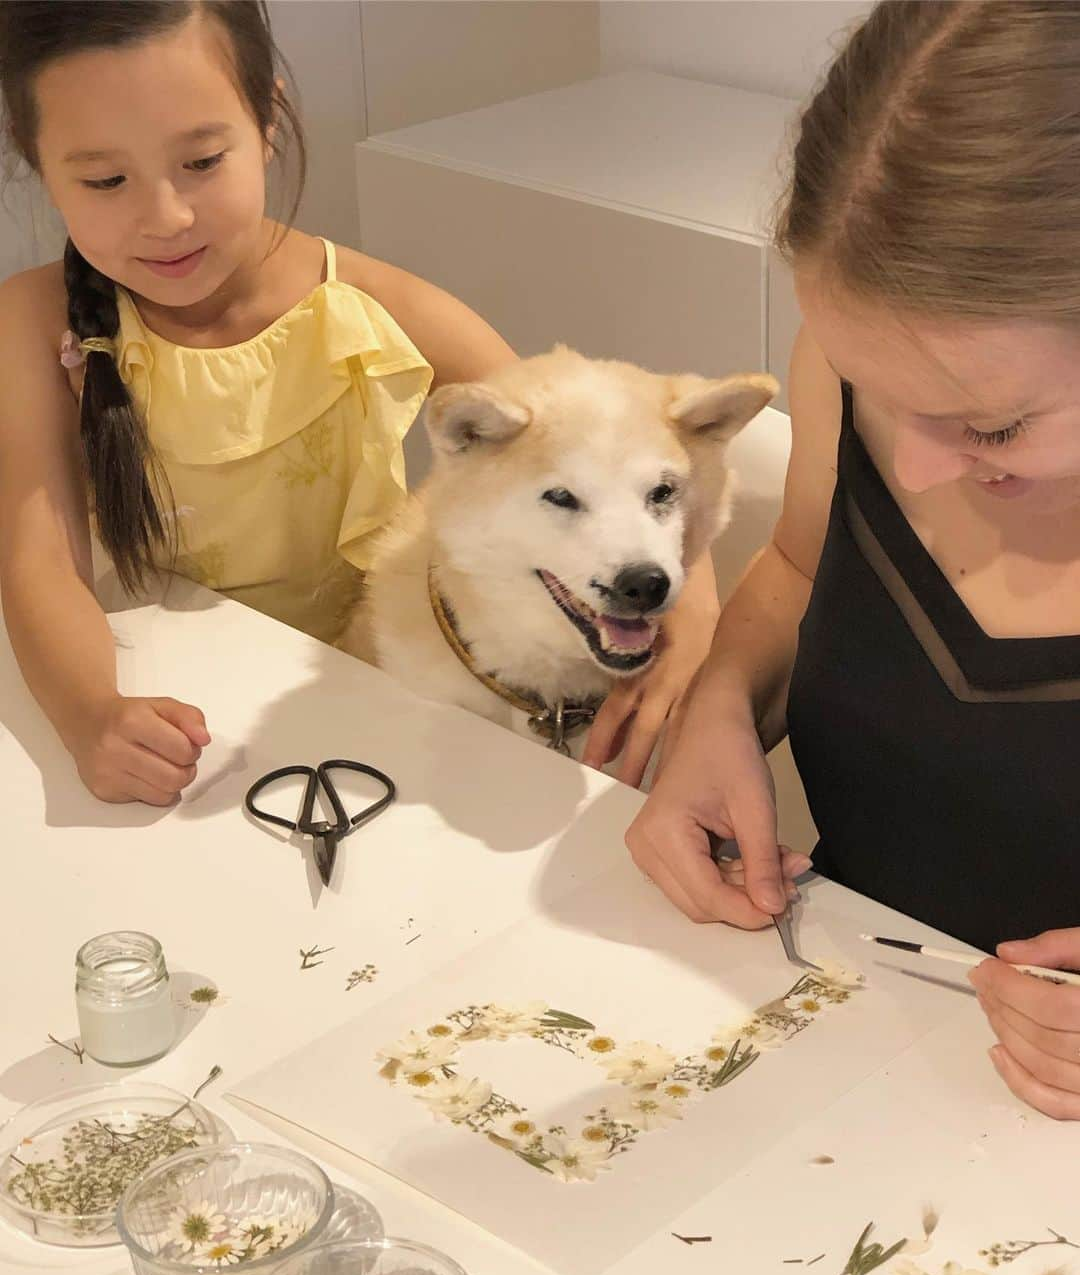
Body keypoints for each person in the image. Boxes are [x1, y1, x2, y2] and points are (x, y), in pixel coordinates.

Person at [0, 0, 718, 808]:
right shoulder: (34, 322)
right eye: (105, 180)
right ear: (37, 158)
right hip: (157, 693)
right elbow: (39, 563)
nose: (166, 216)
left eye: (201, 161)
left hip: (360, 700)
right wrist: (89, 713)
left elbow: (601, 449)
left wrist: (695, 609)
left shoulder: (368, 302)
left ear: (267, 119)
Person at [628, 0, 1080, 1121]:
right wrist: (720, 707)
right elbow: (799, 568)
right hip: (842, 1048)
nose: (915, 469)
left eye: (991, 426)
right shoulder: (870, 364)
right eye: (875, 390)